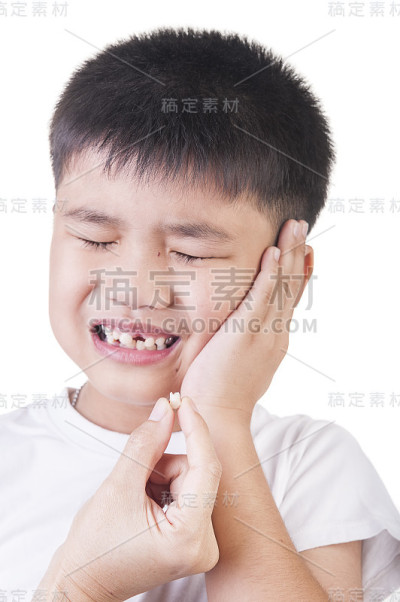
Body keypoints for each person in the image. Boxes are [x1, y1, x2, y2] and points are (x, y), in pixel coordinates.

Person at [1, 25, 399, 602]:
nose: (138, 290)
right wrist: (84, 586)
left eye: (191, 253)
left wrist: (220, 419)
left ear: (288, 276)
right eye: (94, 237)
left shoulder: (308, 464)